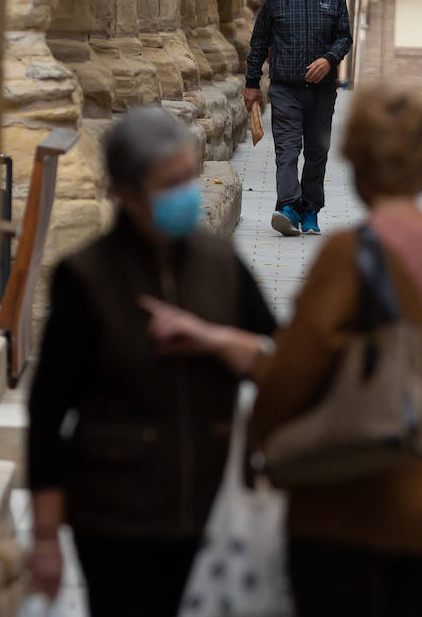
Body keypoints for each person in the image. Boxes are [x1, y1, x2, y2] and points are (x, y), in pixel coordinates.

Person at [141, 86, 422, 617]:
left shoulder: (354, 253)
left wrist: (257, 447)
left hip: (348, 517)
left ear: (355, 160)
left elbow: (291, 375)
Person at [25, 108, 278, 616]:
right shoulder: (87, 277)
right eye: (171, 183)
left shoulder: (220, 264)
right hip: (117, 520)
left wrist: (213, 339)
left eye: (189, 177)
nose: (186, 192)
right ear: (127, 192)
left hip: (215, 512)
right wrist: (46, 538)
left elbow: (282, 361)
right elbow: (47, 414)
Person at [244, 0, 353, 237]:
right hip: (285, 88)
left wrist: (329, 60)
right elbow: (259, 42)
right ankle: (289, 206)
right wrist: (252, 83)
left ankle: (310, 209)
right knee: (288, 149)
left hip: (322, 91)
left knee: (317, 151)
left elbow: (345, 37)